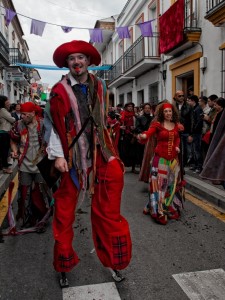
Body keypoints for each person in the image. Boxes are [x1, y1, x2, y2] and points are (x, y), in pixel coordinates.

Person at [43, 40, 132, 287]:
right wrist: (59, 155)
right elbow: (51, 125)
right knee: (63, 215)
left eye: (81, 57)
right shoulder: (58, 91)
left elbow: (102, 122)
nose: (77, 62)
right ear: (67, 64)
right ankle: (63, 263)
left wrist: (110, 152)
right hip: (72, 161)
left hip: (100, 157)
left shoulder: (100, 85)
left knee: (109, 212)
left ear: (88, 62)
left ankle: (114, 260)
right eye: (72, 59)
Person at [138, 103, 185, 225]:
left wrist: (176, 147)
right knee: (159, 186)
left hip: (173, 161)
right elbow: (149, 133)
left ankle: (161, 206)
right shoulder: (157, 125)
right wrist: (143, 135)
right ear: (162, 113)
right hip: (160, 160)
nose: (168, 113)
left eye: (170, 111)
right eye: (166, 112)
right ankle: (159, 211)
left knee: (171, 185)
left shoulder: (176, 125)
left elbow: (177, 138)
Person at [10, 102, 50, 230]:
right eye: (21, 114)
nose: (22, 117)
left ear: (33, 113)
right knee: (25, 192)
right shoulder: (18, 125)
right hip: (25, 165)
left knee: (40, 192)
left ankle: (42, 219)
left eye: (25, 114)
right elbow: (13, 140)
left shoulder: (43, 124)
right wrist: (15, 150)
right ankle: (27, 218)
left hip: (40, 165)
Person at [200, 98, 225, 188]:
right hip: (217, 140)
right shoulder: (218, 114)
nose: (214, 106)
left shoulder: (220, 114)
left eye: (216, 104)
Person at [173, 90, 193, 166]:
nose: (181, 97)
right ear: (175, 97)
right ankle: (179, 166)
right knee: (177, 150)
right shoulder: (173, 106)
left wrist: (191, 134)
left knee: (187, 152)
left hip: (186, 132)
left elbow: (192, 120)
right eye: (179, 96)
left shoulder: (189, 106)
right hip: (176, 132)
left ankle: (182, 167)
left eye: (182, 96)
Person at [118, 102, 138, 173]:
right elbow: (118, 124)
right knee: (124, 153)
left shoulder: (134, 116)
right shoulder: (122, 115)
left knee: (133, 152)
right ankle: (123, 168)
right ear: (126, 107)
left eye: (131, 106)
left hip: (132, 135)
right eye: (129, 106)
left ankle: (133, 168)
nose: (130, 107)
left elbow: (137, 125)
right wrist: (121, 127)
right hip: (125, 136)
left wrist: (134, 128)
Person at [188, 95, 203, 173]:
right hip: (194, 132)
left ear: (193, 101)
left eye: (189, 100)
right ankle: (196, 165)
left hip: (197, 133)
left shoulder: (198, 109)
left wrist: (193, 132)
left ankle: (199, 167)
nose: (188, 102)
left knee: (197, 150)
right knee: (194, 150)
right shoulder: (194, 108)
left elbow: (198, 122)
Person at [0, 95, 15, 173]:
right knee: (4, 151)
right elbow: (12, 120)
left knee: (4, 150)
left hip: (3, 133)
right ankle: (5, 167)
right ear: (3, 102)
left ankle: (3, 165)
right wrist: (14, 119)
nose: (9, 102)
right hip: (4, 133)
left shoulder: (3, 110)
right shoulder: (2, 110)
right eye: (7, 101)